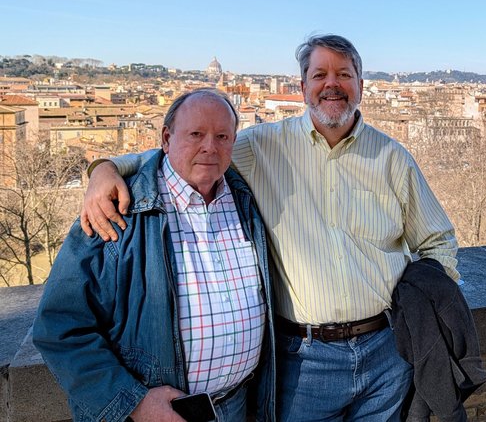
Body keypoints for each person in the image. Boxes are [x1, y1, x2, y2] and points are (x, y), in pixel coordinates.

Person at [81, 34, 459, 421]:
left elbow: (437, 240)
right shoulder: (261, 146)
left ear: (360, 85)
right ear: (303, 86)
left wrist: (424, 302)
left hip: (386, 352)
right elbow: (189, 152)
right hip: (304, 362)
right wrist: (106, 168)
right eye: (320, 74)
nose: (332, 84)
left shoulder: (392, 157)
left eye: (344, 74)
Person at [33, 90, 276, 422]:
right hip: (151, 413)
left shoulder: (245, 197)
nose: (210, 147)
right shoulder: (118, 209)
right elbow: (59, 324)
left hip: (237, 405)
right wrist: (132, 401)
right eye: (196, 135)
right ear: (166, 137)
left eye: (222, 136)